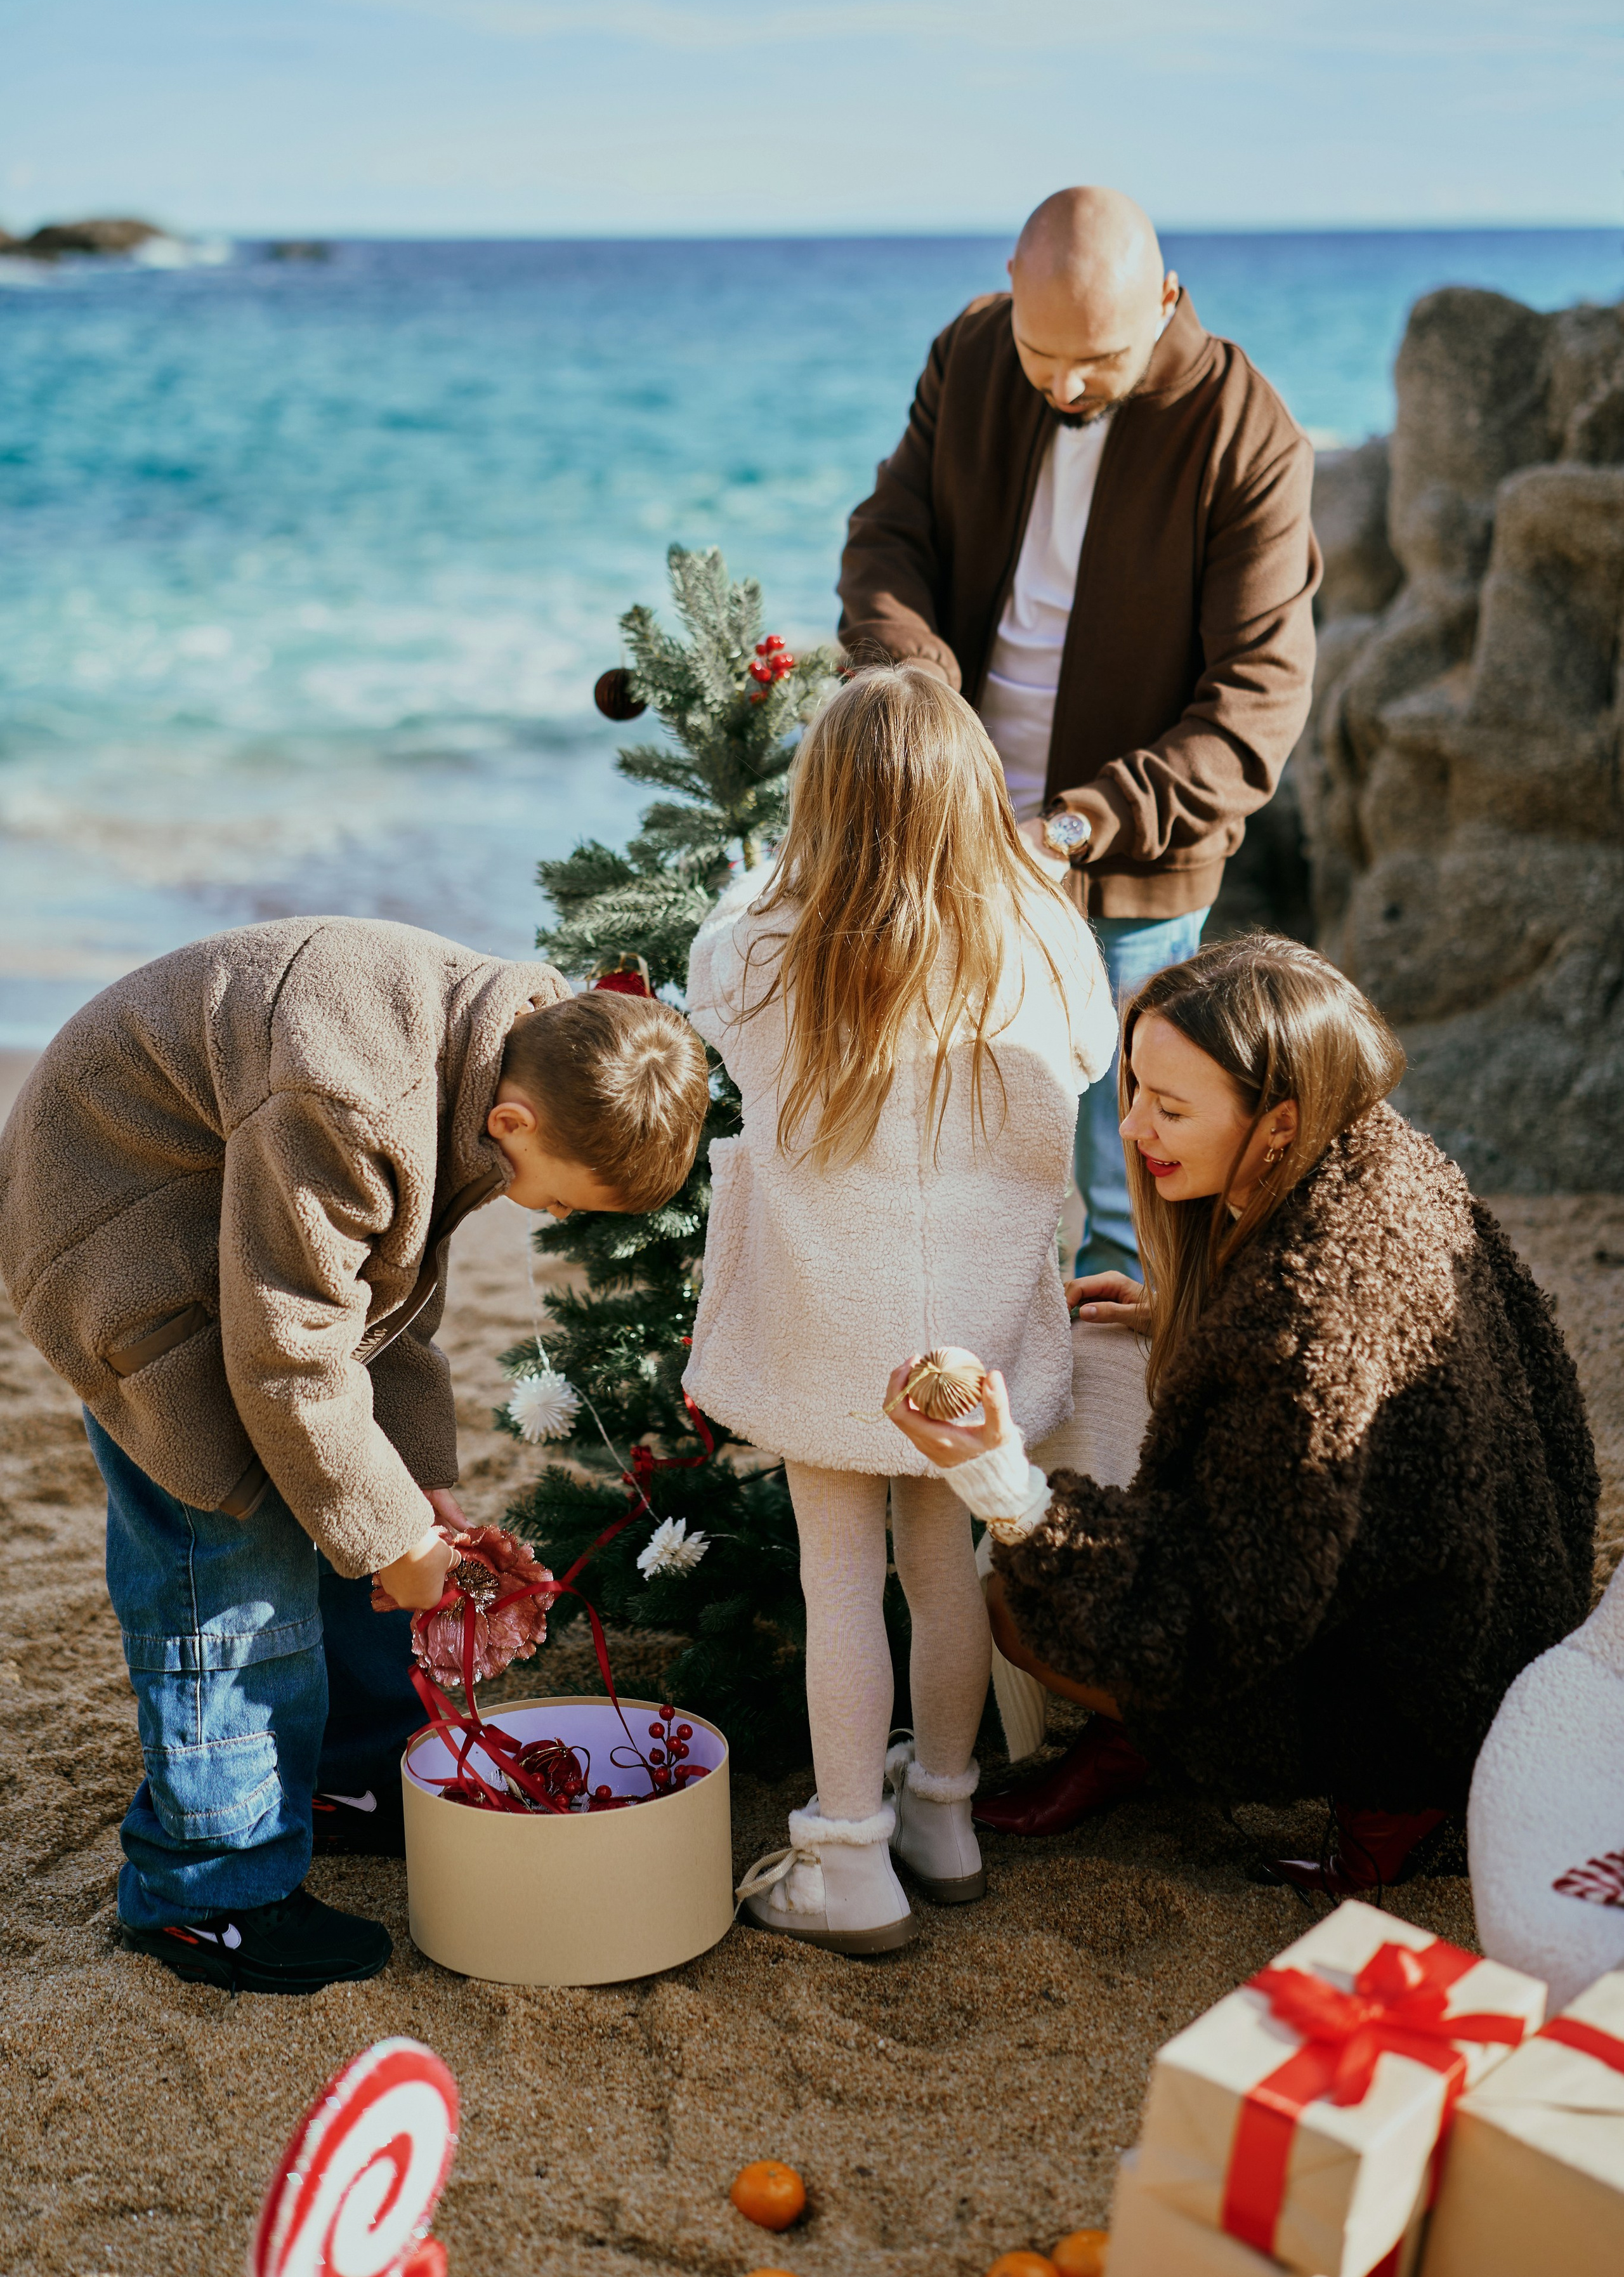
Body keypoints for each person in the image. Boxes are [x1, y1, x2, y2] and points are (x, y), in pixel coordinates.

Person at [0, 919, 709, 1993]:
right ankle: (208, 1893)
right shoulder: (355, 1103)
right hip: (119, 1215)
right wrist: (389, 1536)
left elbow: (390, 1306)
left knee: (365, 1506)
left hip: (240, 1191)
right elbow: (287, 1364)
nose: (552, 1216)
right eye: (560, 1200)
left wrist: (415, 1499)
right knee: (225, 1546)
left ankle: (347, 1779)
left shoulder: (509, 1049)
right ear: (513, 1122)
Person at [885, 934, 1597, 1897]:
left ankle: (1387, 1812)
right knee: (1109, 1354)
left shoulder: (1299, 1330)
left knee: (1017, 1606)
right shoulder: (1384, 1151)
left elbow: (1213, 1612)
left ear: (1278, 1122)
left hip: (1419, 1706)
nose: (1135, 1129)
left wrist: (997, 1477)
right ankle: (1141, 1738)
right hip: (1501, 1603)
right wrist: (1182, 1314)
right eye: (1134, 1090)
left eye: (1171, 1108)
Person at [684, 666, 1117, 1952]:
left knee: (838, 1582)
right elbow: (1087, 1052)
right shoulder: (1039, 933)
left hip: (829, 1318)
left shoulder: (769, 943)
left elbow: (713, 977)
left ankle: (849, 1857)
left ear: (820, 801)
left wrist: (777, 870)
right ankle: (942, 1811)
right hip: (970, 1325)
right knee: (944, 1573)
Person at [837, 186, 1321, 1282]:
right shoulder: (969, 356)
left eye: (1097, 359)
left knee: (1130, 1188)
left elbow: (1256, 703)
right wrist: (920, 699)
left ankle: (1112, 1448)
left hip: (1132, 873)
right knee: (941, 1158)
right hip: (948, 839)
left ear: (1167, 300)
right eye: (1041, 351)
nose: (1064, 384)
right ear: (1009, 296)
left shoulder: (1251, 435)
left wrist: (1074, 826)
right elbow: (886, 546)